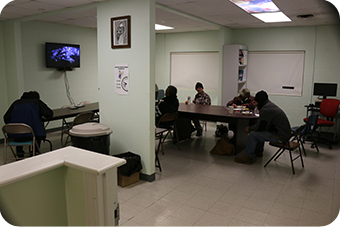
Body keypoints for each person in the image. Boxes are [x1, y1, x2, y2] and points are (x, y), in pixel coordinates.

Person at [234, 90, 291, 164]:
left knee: (252, 134)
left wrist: (250, 129)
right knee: (259, 132)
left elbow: (260, 126)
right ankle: (258, 151)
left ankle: (248, 157)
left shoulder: (266, 109)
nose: (255, 103)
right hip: (283, 133)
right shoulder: (268, 105)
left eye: (256, 102)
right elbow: (262, 126)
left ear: (260, 101)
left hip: (280, 136)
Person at [3, 91, 53, 157]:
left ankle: (19, 153)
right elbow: (49, 114)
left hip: (15, 135)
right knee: (37, 129)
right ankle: (35, 152)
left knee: (19, 131)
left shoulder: (16, 103)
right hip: (33, 134)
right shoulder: (37, 102)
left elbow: (6, 117)